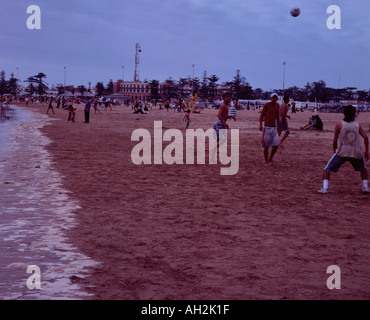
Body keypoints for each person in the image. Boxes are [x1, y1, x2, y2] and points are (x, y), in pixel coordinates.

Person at [318, 105, 369, 194]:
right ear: (354, 114)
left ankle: (325, 188)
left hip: (342, 151)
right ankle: (365, 187)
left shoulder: (339, 124)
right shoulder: (357, 125)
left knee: (327, 169)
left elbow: (334, 141)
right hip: (355, 152)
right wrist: (366, 152)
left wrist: (335, 151)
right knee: (363, 169)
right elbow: (365, 137)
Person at [259, 93, 281, 166]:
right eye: (273, 98)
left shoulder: (277, 105)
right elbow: (262, 114)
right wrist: (260, 124)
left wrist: (278, 126)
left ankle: (270, 158)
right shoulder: (267, 105)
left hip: (274, 127)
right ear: (271, 98)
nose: (274, 99)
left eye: (275, 98)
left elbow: (277, 116)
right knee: (266, 146)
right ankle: (266, 161)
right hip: (267, 127)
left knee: (276, 144)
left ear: (277, 98)